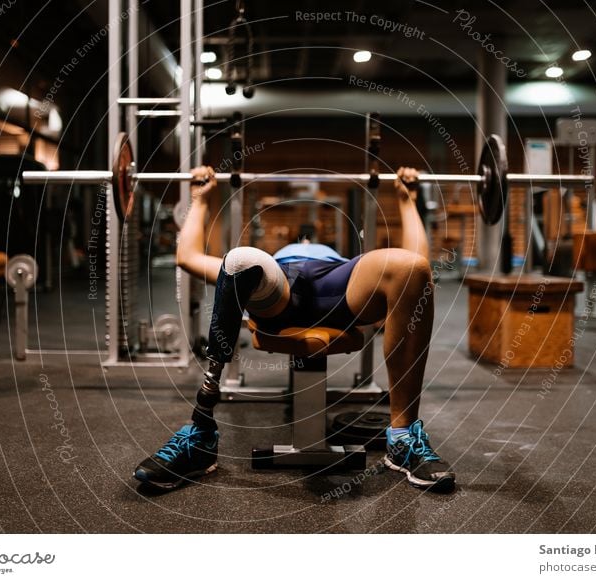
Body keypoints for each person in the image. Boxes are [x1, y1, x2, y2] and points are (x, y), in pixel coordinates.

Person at [133, 166, 455, 493]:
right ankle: (201, 431)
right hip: (280, 294)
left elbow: (417, 265)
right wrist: (201, 199)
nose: (305, 239)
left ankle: (402, 439)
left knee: (411, 268)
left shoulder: (336, 259)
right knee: (241, 260)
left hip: (340, 284)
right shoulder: (270, 264)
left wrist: (406, 198)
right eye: (302, 238)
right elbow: (187, 256)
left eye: (308, 237)